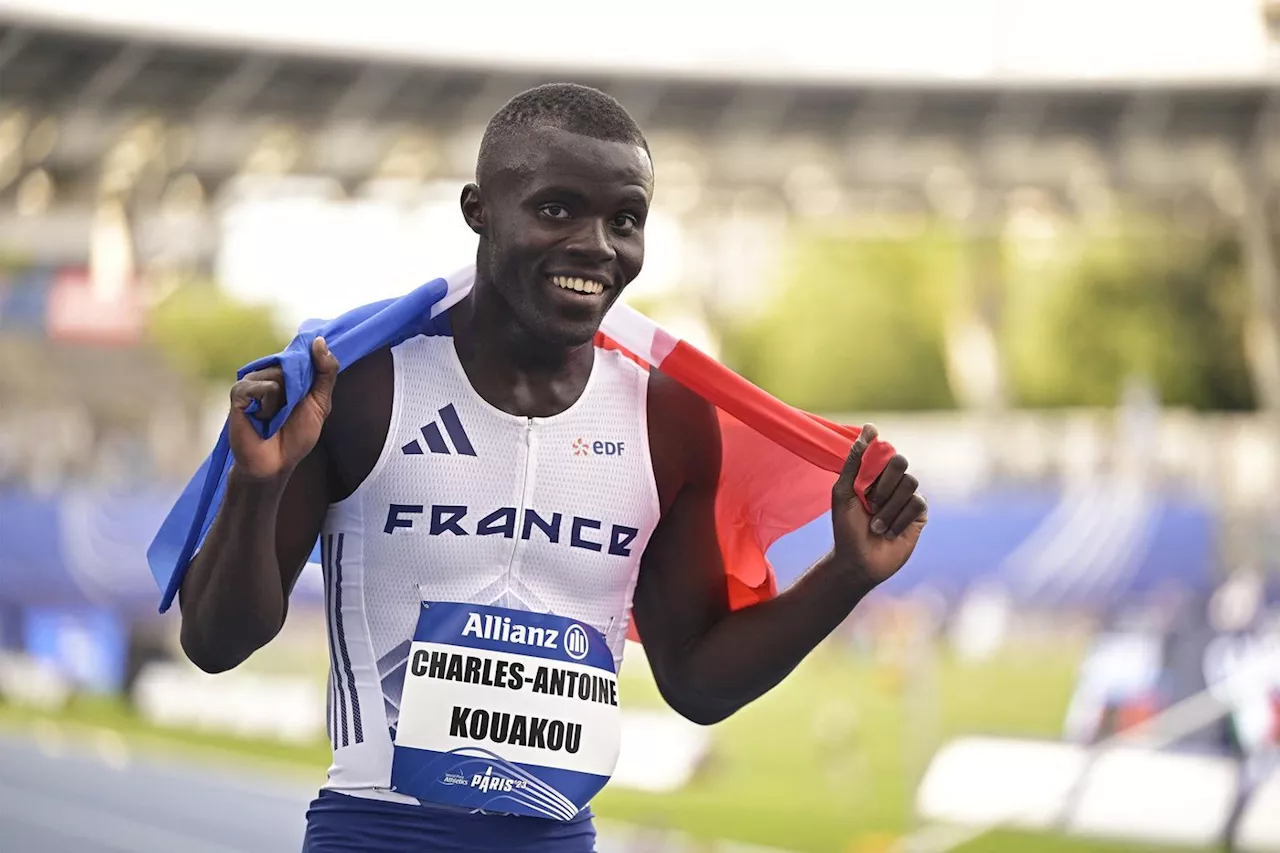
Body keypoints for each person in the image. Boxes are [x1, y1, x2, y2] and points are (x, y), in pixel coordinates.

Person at [174, 83, 928, 852]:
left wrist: (846, 573)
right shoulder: (366, 387)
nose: (598, 245)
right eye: (557, 209)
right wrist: (255, 485)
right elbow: (214, 641)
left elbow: (698, 682)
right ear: (479, 210)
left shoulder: (665, 415)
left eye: (625, 220)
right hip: (376, 831)